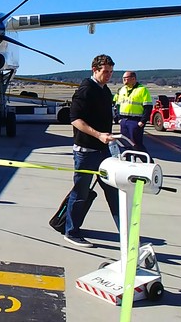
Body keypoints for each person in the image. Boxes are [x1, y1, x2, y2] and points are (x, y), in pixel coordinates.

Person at [63, 54, 121, 248]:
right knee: (81, 193)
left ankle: (126, 234)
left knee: (113, 192)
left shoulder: (105, 91)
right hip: (86, 152)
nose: (109, 76)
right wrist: (99, 135)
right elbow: (75, 120)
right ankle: (71, 231)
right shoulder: (85, 90)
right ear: (94, 70)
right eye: (105, 72)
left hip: (104, 151)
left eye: (111, 72)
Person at [114, 71, 152, 153]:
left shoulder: (142, 90)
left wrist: (143, 121)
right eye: (123, 78)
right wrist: (119, 118)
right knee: (125, 144)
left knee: (137, 145)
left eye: (126, 78)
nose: (124, 80)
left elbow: (148, 107)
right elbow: (118, 105)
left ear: (133, 79)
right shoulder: (122, 90)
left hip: (135, 121)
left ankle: (148, 163)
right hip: (124, 121)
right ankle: (129, 162)